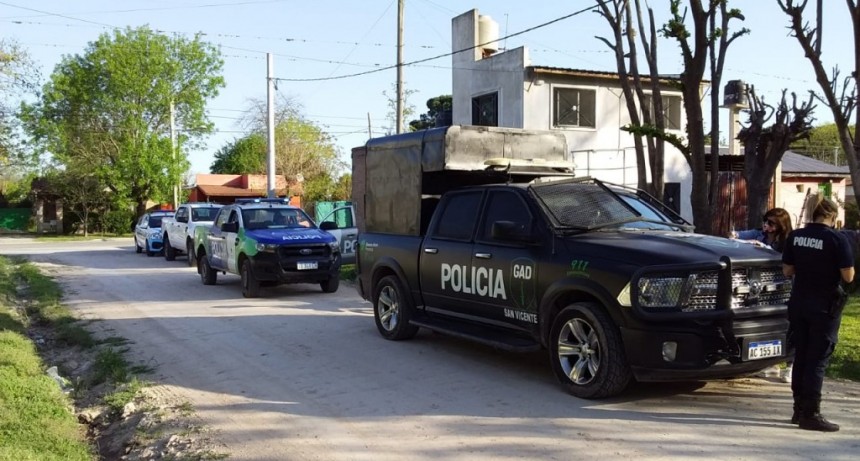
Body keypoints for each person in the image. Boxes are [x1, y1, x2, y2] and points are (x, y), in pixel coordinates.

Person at [782, 197, 855, 432]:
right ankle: (811, 414)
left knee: (801, 356)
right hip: (825, 306)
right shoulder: (836, 238)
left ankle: (798, 409)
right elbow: (848, 276)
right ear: (832, 217)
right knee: (817, 359)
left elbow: (787, 270)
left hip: (799, 302)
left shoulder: (795, 236)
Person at [733, 208, 794, 382]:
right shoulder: (759, 234)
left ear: (781, 225)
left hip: (783, 288)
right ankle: (770, 364)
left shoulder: (788, 240)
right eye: (765, 221)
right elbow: (739, 235)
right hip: (763, 290)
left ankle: (790, 365)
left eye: (771, 223)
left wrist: (765, 247)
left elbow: (786, 260)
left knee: (789, 326)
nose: (766, 226)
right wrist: (735, 235)